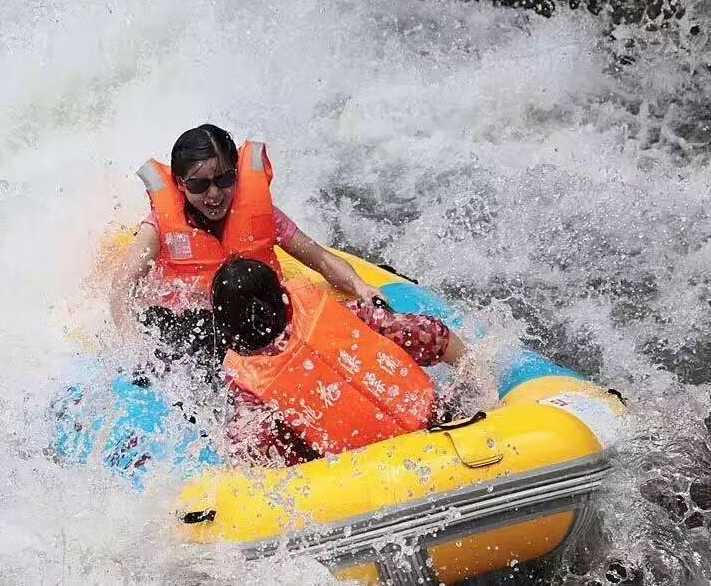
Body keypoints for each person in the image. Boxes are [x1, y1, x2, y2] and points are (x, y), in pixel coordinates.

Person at [109, 124, 384, 368]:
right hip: (192, 326)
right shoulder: (159, 225)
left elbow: (321, 259)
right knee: (204, 335)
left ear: (237, 174)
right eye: (199, 185)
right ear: (181, 184)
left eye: (224, 180)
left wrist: (360, 286)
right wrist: (134, 350)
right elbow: (124, 284)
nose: (214, 194)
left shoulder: (261, 214)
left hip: (252, 322)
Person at [210, 258, 467, 467]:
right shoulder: (341, 315)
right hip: (439, 424)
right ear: (284, 297)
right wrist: (478, 376)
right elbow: (430, 334)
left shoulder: (249, 385)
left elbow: (245, 448)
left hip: (360, 473)